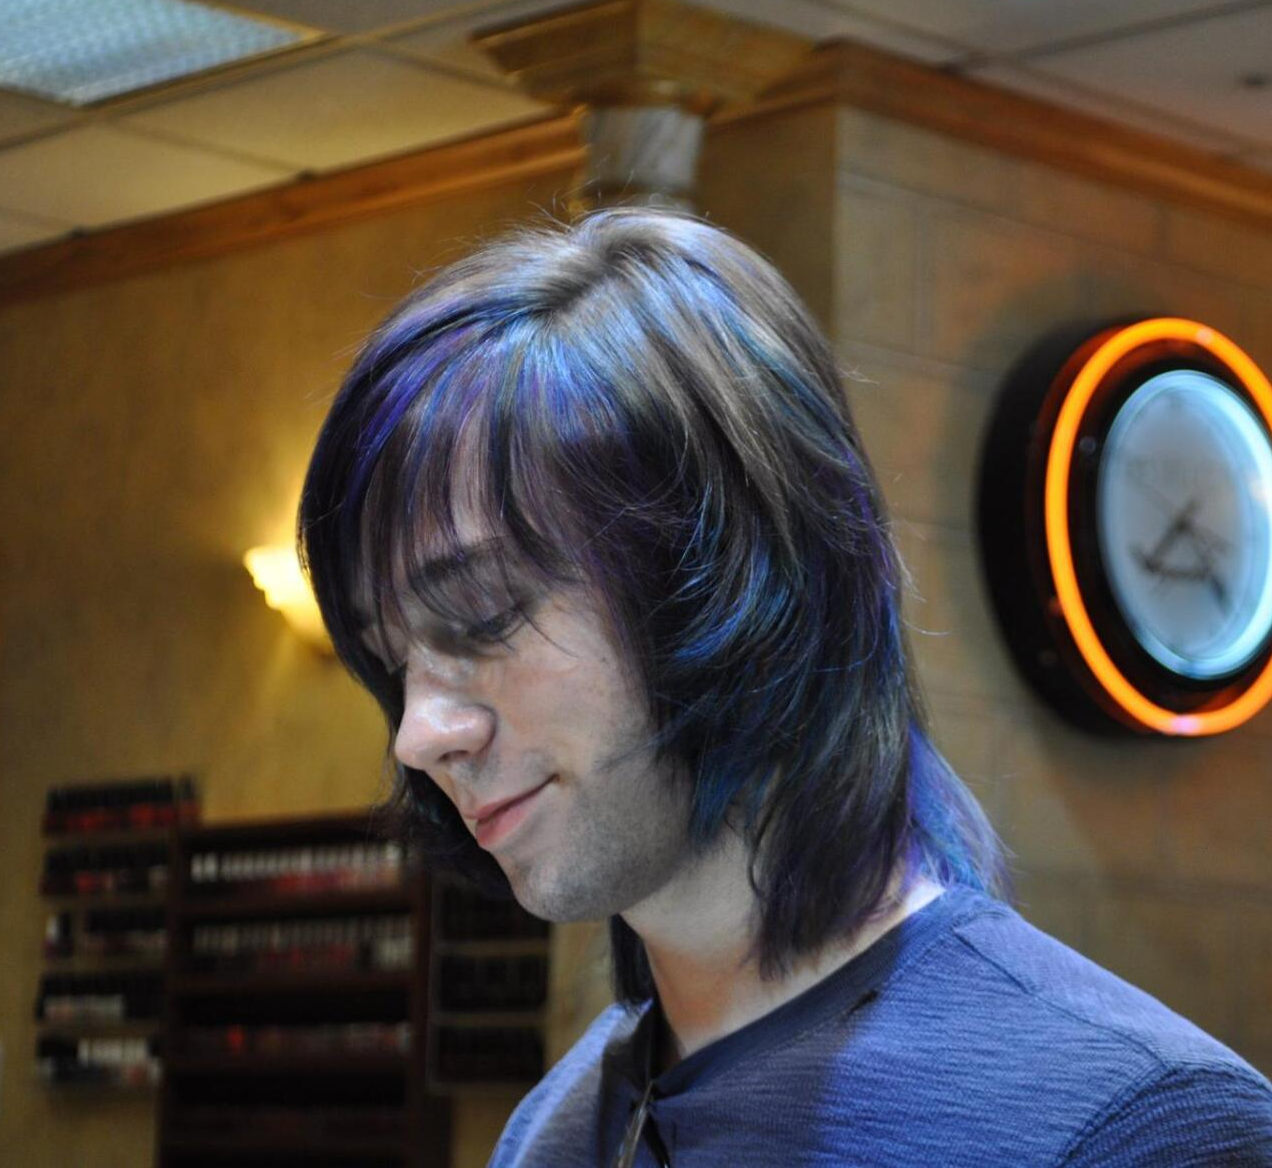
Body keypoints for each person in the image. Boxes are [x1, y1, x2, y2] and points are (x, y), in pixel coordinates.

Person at [298, 206, 1272, 1166]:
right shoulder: (554, 1133)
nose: (419, 734)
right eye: (393, 663)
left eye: (482, 615)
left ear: (730, 572)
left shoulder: (1142, 1127)